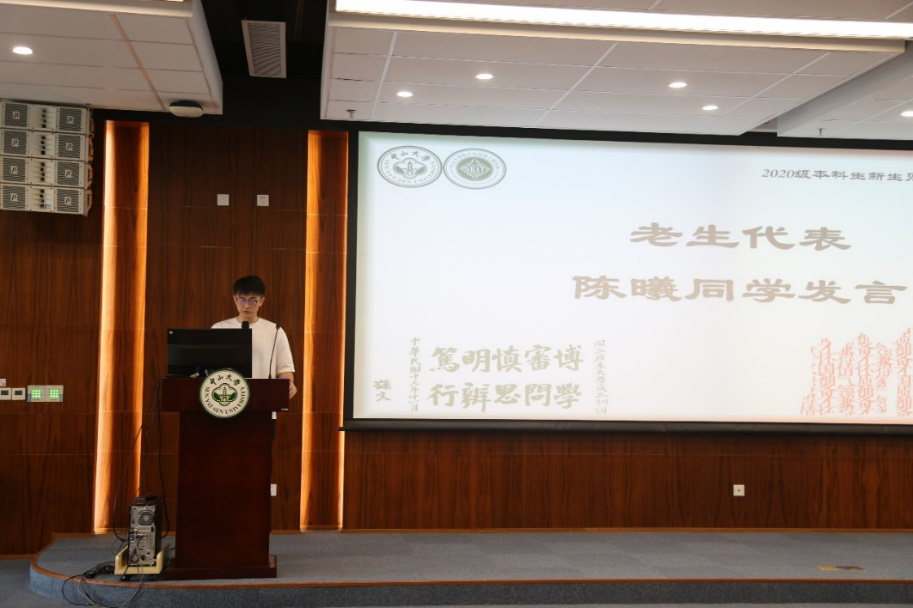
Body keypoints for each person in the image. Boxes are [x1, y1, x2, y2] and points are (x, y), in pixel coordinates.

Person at [212, 275, 297, 399]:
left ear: (261, 301)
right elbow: (210, 369)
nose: (246, 306)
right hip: (228, 399)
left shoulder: (275, 330)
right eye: (242, 300)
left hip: (263, 398)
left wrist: (287, 383)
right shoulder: (219, 329)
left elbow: (285, 370)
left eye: (253, 300)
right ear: (235, 299)